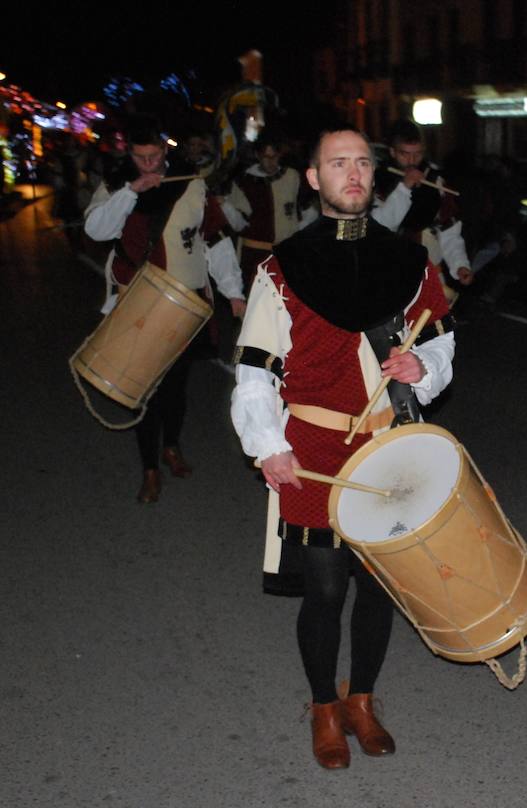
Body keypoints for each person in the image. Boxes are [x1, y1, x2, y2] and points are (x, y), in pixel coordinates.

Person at [230, 125, 454, 769]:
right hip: (313, 449)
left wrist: (426, 370)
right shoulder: (283, 268)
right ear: (314, 178)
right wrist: (268, 444)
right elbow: (255, 371)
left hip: (386, 443)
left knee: (380, 586)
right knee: (326, 590)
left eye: (362, 163)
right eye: (338, 163)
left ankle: (363, 700)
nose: (353, 174)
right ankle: (324, 708)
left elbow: (439, 338)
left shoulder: (407, 260)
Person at [84, 118, 246, 503]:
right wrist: (131, 191)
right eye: (140, 158)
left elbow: (215, 241)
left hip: (186, 301)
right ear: (130, 154)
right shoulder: (116, 183)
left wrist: (233, 293)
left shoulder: (191, 183)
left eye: (155, 156)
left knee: (175, 385)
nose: (149, 164)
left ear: (165, 150)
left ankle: (171, 445)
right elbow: (97, 230)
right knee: (147, 387)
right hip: (140, 299)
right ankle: (150, 469)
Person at [373, 119, 473, 286]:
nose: (412, 161)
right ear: (392, 152)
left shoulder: (435, 181)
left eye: (418, 154)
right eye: (405, 154)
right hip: (388, 274)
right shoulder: (377, 180)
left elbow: (449, 231)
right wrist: (405, 187)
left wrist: (460, 265)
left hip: (428, 273)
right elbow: (381, 225)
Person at [224, 133, 317, 290]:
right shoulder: (244, 181)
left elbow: (307, 208)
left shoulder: (292, 176)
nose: (270, 162)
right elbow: (238, 223)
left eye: (274, 157)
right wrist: (225, 206)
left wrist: (296, 233)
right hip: (255, 255)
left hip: (286, 254)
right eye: (266, 157)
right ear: (257, 156)